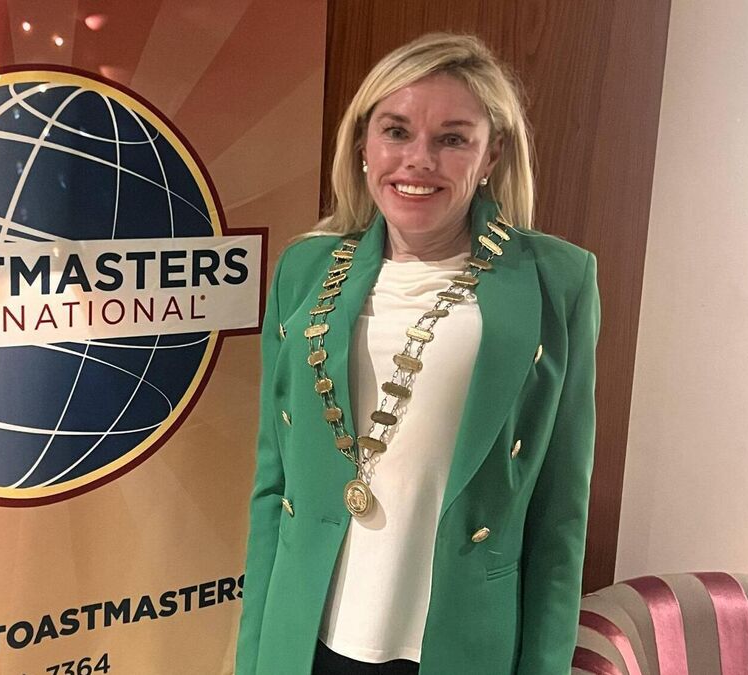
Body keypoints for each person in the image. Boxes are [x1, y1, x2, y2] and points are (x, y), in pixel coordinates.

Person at [235, 33, 600, 675]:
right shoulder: (304, 270)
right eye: (396, 131)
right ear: (364, 144)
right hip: (309, 638)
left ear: (491, 154)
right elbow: (274, 487)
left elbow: (559, 517)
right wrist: (255, 658)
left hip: (461, 644)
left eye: (452, 138)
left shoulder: (556, 281)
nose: (418, 160)